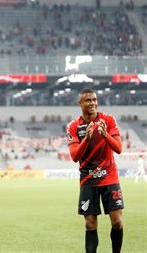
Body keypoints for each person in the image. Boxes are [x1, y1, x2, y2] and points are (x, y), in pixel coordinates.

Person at [66, 88, 124, 253]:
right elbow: (75, 156)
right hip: (88, 180)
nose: (92, 103)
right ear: (80, 104)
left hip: (109, 176)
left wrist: (106, 135)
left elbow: (119, 148)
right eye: (88, 100)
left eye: (94, 99)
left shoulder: (108, 120)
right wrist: (87, 139)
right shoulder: (73, 126)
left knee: (117, 222)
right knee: (90, 223)